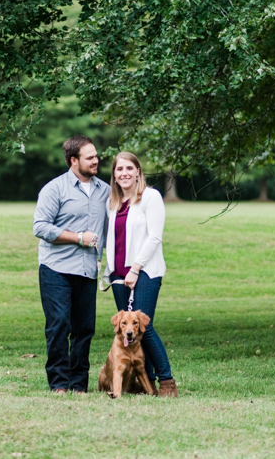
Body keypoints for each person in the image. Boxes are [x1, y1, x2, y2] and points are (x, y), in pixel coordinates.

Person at [33, 135, 110, 394]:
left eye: (96, 156)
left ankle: (78, 385)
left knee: (84, 329)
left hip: (88, 269)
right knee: (59, 325)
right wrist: (78, 238)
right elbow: (40, 227)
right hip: (57, 269)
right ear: (73, 160)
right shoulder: (54, 189)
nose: (96, 160)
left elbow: (111, 229)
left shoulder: (105, 191)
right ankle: (58, 384)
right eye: (90, 157)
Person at [103, 152, 177, 397]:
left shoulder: (150, 197)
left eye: (129, 168)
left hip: (144, 271)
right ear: (114, 174)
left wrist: (135, 269)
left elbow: (155, 237)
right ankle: (147, 384)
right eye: (119, 169)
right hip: (118, 275)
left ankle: (166, 383)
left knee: (144, 327)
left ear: (137, 171)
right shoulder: (113, 202)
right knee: (128, 330)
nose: (124, 173)